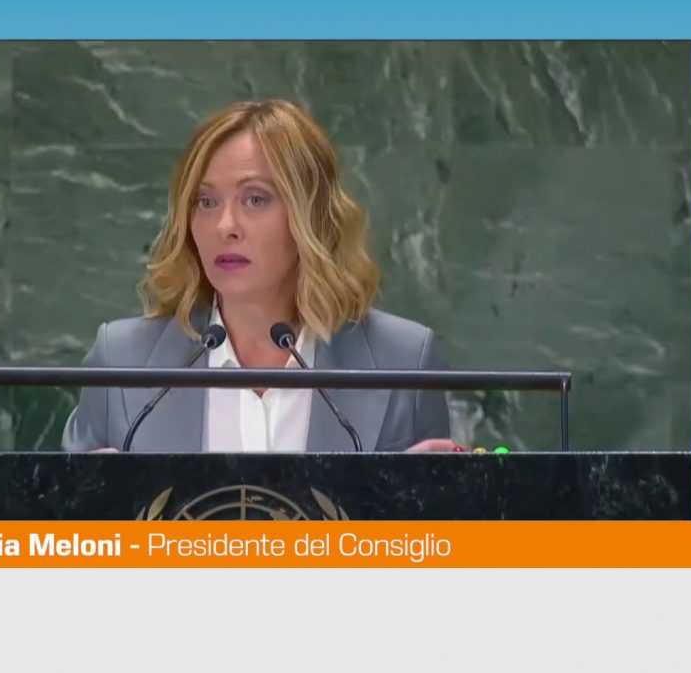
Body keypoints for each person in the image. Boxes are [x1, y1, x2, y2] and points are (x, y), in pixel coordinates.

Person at [62, 99, 454, 453]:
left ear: (311, 216)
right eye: (206, 202)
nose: (225, 226)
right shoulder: (121, 362)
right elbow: (56, 508)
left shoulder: (403, 362)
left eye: (255, 199)